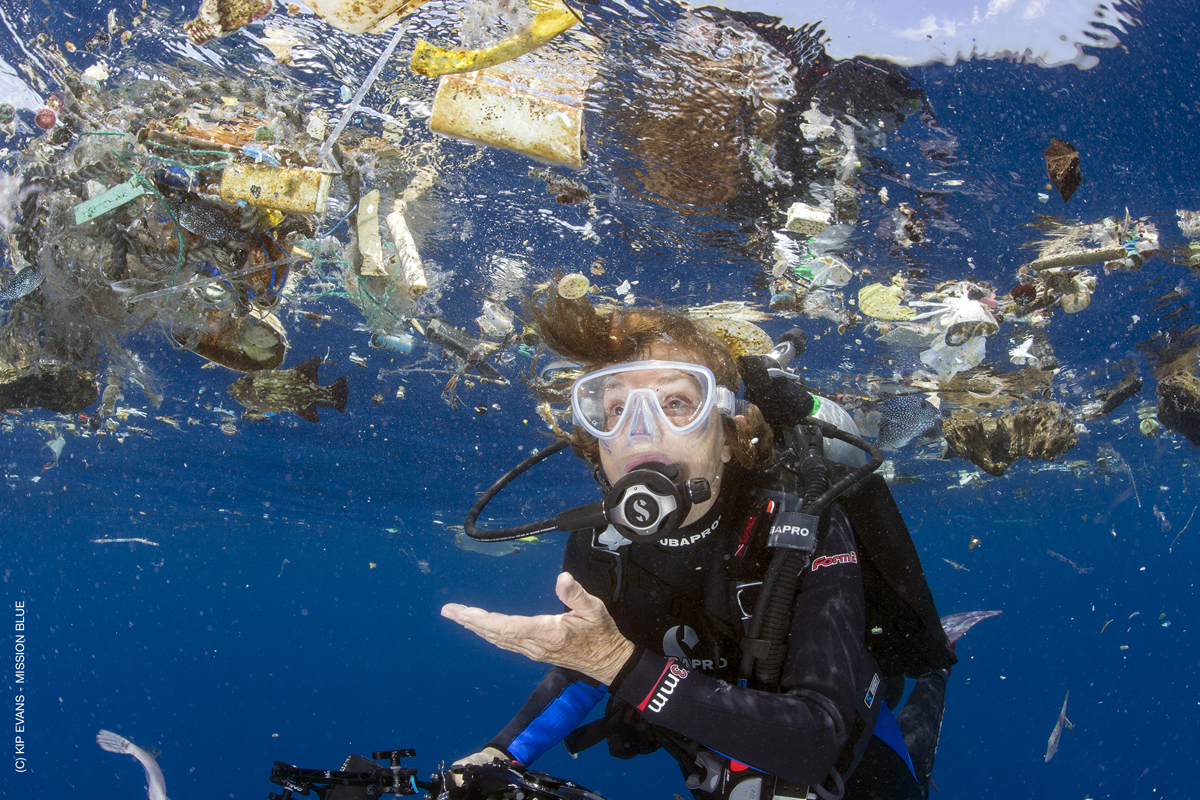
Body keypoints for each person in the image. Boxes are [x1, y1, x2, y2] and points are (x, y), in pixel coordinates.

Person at [440, 289, 959, 800]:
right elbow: (584, 663)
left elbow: (815, 740)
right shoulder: (598, 541)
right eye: (614, 408)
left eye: (675, 403)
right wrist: (499, 756)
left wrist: (617, 663)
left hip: (857, 774)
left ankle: (934, 677)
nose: (640, 432)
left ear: (731, 436)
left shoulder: (803, 518)